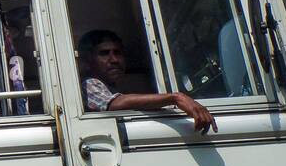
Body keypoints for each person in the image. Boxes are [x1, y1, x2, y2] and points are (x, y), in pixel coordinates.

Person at [77, 29, 217, 134]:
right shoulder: (88, 84)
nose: (114, 60)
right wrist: (176, 98)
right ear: (88, 60)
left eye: (118, 53)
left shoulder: (111, 88)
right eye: (104, 53)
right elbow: (114, 103)